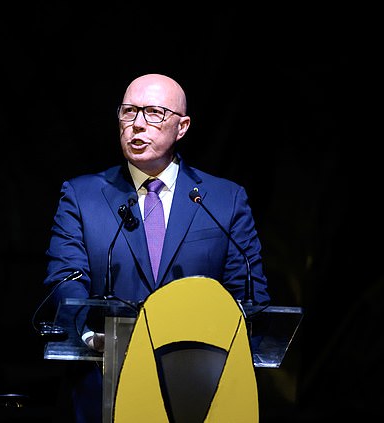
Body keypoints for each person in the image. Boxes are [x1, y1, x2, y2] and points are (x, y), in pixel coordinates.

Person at [42, 73, 270, 423]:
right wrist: (88, 336)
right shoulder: (82, 196)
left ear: (182, 127)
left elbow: (248, 294)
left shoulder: (224, 201)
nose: (137, 125)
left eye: (153, 113)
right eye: (129, 112)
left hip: (202, 388)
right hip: (105, 384)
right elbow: (64, 280)